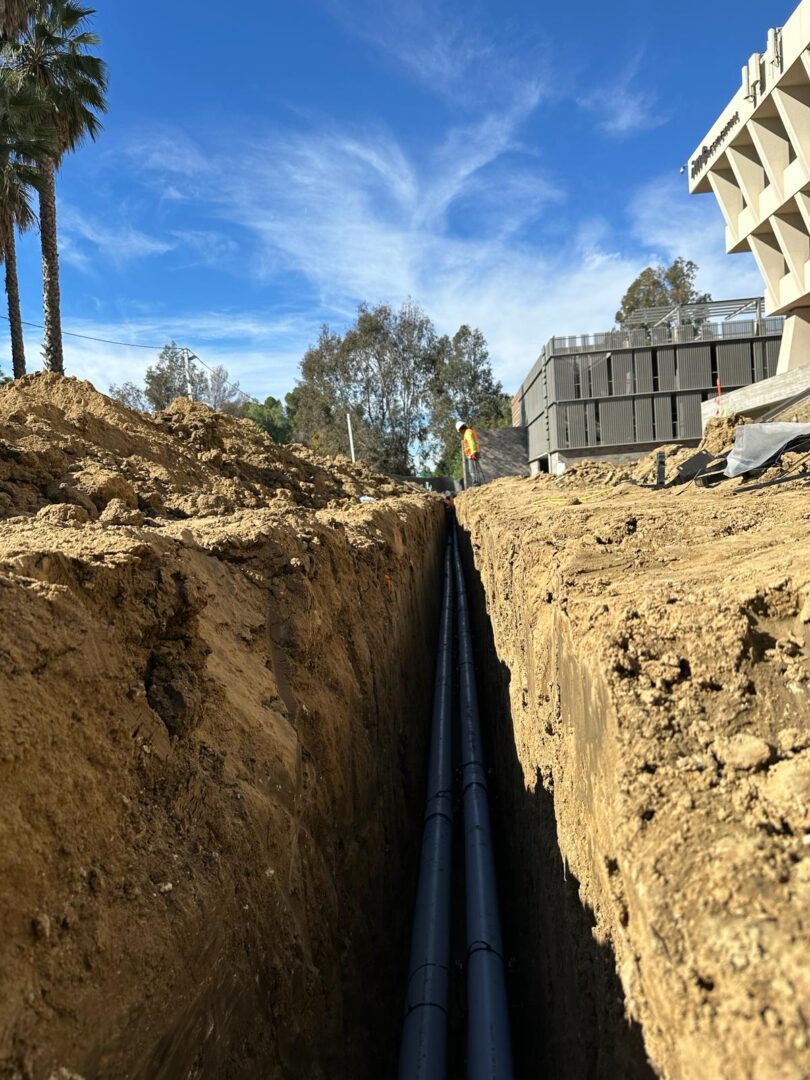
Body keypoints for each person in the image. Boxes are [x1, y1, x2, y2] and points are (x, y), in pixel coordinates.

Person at [456, 420, 483, 487]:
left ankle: (475, 483)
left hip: (472, 453)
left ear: (461, 429)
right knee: (475, 468)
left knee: (472, 470)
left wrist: (473, 453)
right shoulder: (470, 431)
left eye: (459, 431)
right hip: (475, 451)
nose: (460, 433)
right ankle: (478, 482)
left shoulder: (467, 433)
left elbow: (471, 442)